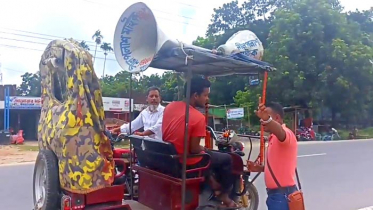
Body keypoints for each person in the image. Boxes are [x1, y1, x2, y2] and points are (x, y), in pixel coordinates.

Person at [162, 76, 238, 208]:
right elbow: (194, 148)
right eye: (205, 95)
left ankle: (213, 183)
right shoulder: (198, 117)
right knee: (226, 159)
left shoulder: (169, 107)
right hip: (185, 161)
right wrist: (205, 149)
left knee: (208, 154)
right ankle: (224, 194)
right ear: (195, 95)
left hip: (169, 157)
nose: (207, 99)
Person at [254, 99, 298, 210]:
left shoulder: (285, 133)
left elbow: (280, 132)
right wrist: (261, 168)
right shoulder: (273, 137)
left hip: (282, 195)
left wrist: (267, 119)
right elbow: (279, 167)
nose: (262, 121)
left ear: (277, 118)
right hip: (277, 195)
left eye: (266, 117)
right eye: (262, 118)